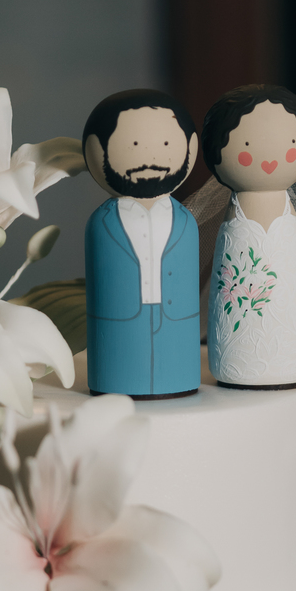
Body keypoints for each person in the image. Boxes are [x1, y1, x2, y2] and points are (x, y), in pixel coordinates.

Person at [201, 85, 296, 389]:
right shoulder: (236, 214)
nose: (272, 157)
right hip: (236, 364)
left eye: (292, 142)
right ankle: (241, 361)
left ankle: (295, 355)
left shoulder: (290, 214)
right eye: (245, 143)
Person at [82, 88, 201, 397]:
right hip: (116, 334)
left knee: (176, 373)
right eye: (133, 144)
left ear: (191, 146)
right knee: (118, 368)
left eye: (164, 143)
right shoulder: (100, 224)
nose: (149, 157)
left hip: (178, 331)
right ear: (96, 148)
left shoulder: (187, 222)